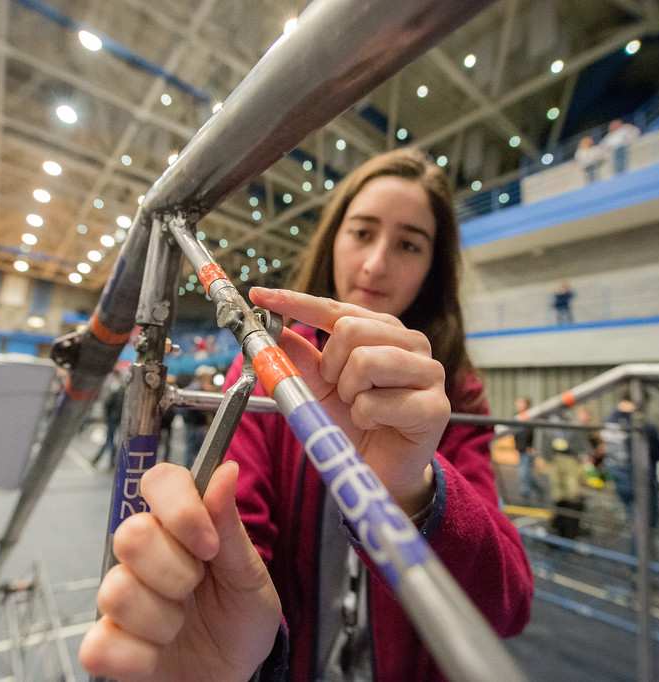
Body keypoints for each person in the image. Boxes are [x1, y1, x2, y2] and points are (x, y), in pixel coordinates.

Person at [80, 148, 534, 681]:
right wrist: (245, 645)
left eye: (409, 244)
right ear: (334, 238)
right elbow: (239, 541)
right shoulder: (266, 365)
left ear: (432, 268)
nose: (376, 263)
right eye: (362, 232)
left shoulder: (455, 391)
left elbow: (509, 604)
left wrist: (415, 489)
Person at [601, 390, 659, 549]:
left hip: (619, 478)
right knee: (644, 529)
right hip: (639, 482)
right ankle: (640, 562)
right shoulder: (643, 425)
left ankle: (637, 559)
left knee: (634, 524)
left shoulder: (610, 420)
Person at [543, 407, 591, 540]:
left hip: (571, 460)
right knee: (558, 494)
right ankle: (559, 527)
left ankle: (570, 530)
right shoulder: (550, 427)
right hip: (556, 460)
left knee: (572, 494)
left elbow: (583, 446)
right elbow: (544, 442)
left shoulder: (573, 427)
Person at [514, 396, 546, 504]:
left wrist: (531, 447)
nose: (518, 405)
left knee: (523, 473)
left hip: (528, 449)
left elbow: (532, 433)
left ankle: (525, 495)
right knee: (525, 473)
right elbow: (516, 434)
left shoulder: (530, 417)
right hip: (521, 448)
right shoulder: (518, 417)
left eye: (520, 402)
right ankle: (538, 489)